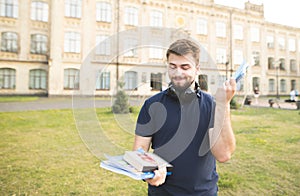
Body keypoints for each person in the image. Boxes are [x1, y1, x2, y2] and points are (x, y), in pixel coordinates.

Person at [133, 39, 236, 195]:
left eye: (185, 67)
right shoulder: (151, 105)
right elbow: (139, 151)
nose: (178, 73)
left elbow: (223, 154)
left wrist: (224, 104)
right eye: (172, 66)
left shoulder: (212, 105)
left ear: (197, 69)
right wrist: (149, 172)